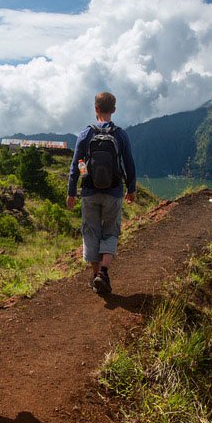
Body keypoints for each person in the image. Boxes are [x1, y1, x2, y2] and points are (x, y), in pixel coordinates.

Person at [66, 91, 136, 295]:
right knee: (110, 231)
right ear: (114, 110)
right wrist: (131, 189)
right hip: (114, 191)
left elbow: (76, 164)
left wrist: (72, 190)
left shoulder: (86, 134)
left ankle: (96, 275)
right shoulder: (120, 134)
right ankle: (103, 272)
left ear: (95, 108)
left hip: (89, 191)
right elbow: (129, 163)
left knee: (91, 232)